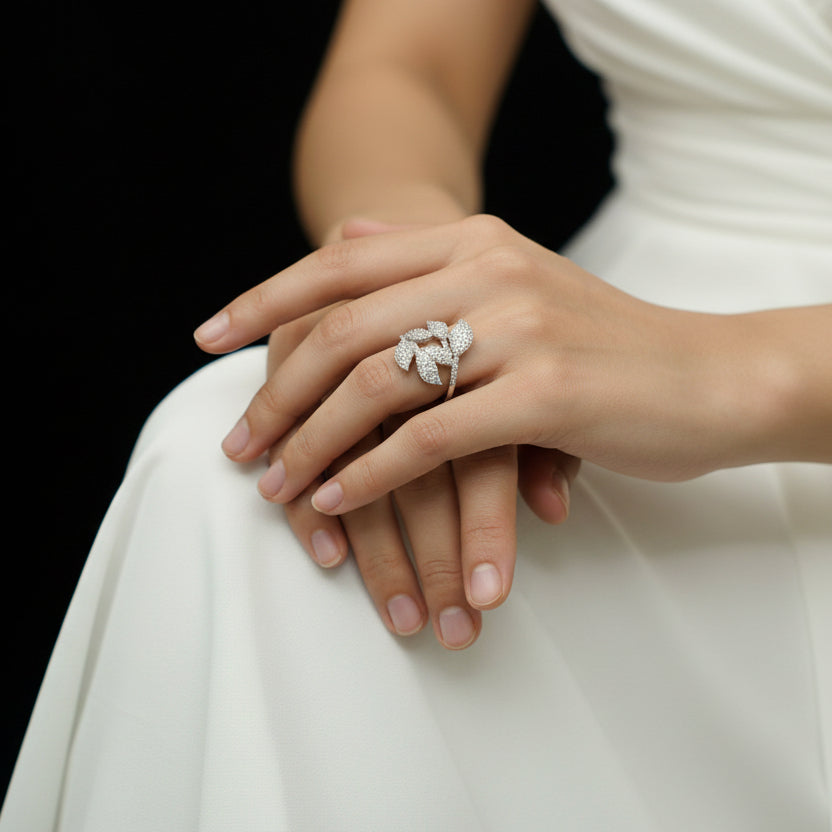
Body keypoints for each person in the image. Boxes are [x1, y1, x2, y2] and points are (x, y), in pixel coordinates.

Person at [3, 0, 831, 829]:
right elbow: (406, 69)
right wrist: (411, 280)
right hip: (630, 312)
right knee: (233, 476)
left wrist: (721, 376)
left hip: (753, 375)